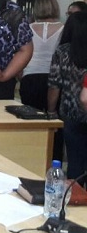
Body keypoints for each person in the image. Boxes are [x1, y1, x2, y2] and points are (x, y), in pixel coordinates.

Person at [47, 11, 87, 182]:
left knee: (74, 161)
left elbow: (55, 84)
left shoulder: (63, 52)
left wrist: (50, 111)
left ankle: (75, 198)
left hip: (71, 112)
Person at [19, 0, 63, 110]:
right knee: (54, 119)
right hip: (55, 78)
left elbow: (19, 53)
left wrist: (20, 76)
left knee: (31, 118)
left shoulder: (27, 28)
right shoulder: (64, 28)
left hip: (30, 76)